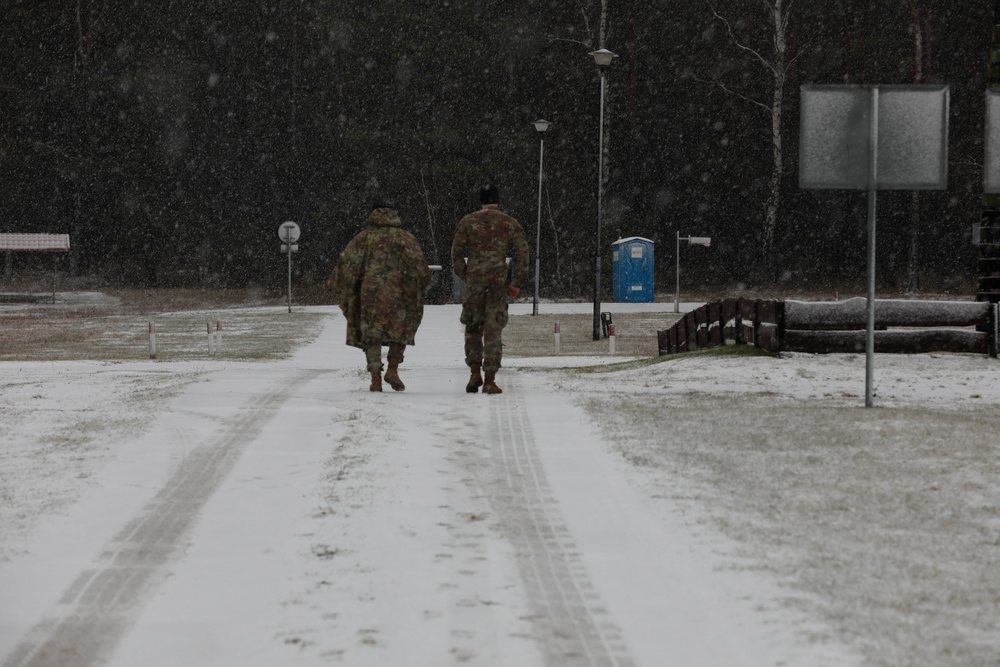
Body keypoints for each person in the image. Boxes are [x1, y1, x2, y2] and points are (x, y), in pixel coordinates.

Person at [328, 200, 432, 392]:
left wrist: (342, 286)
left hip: (371, 294)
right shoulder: (406, 238)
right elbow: (420, 268)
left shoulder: (363, 238)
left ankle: (375, 378)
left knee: (372, 334)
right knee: (399, 331)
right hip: (399, 295)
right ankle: (392, 369)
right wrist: (422, 283)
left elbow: (347, 265)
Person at [450, 183, 529, 394]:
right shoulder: (509, 223)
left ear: (481, 201)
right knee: (493, 330)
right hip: (497, 284)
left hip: (475, 282)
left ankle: (474, 372)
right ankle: (490, 378)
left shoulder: (468, 222)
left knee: (473, 328)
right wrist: (515, 283)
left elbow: (456, 253)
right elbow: (523, 254)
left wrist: (466, 274)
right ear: (497, 200)